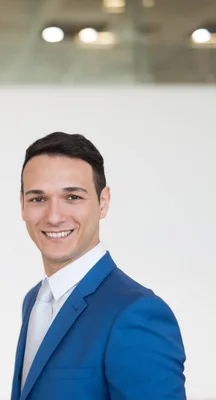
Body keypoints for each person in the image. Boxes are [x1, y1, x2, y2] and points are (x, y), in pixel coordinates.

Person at [10, 132, 186, 400]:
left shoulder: (136, 313)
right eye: (38, 198)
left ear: (103, 202)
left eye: (73, 197)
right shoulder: (33, 300)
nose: (54, 216)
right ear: (22, 205)